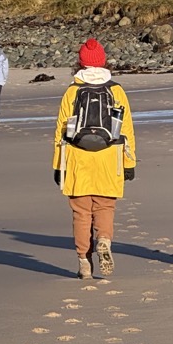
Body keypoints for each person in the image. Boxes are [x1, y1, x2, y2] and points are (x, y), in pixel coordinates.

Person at [53, 38, 136, 279]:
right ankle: (104, 240)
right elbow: (127, 130)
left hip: (77, 158)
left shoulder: (72, 91)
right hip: (109, 158)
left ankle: (84, 263)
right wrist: (129, 163)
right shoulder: (116, 90)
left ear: (80, 63)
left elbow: (60, 131)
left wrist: (58, 165)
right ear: (103, 61)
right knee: (105, 206)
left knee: (81, 212)